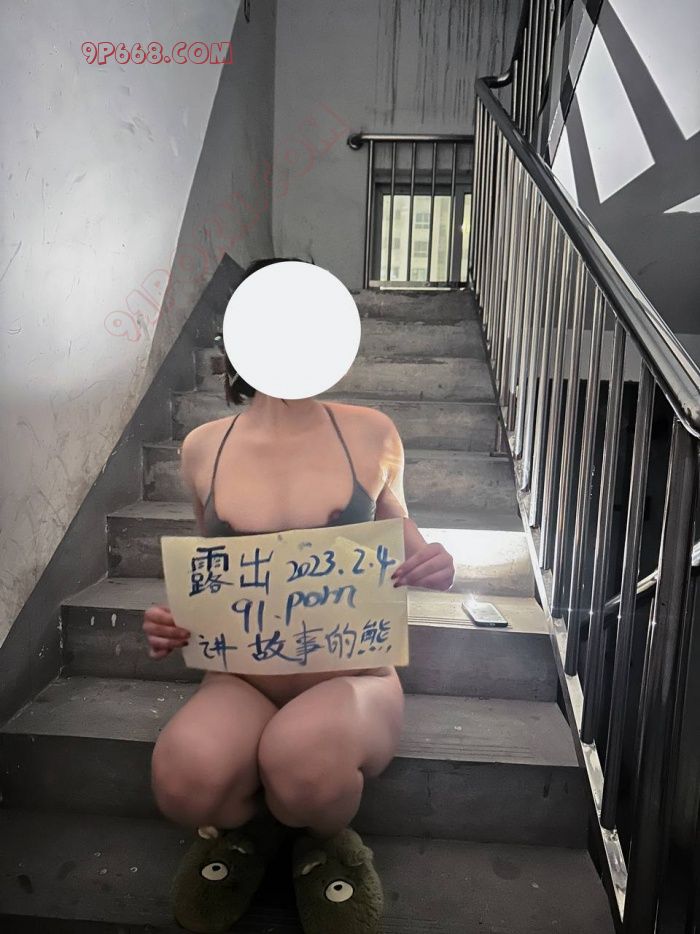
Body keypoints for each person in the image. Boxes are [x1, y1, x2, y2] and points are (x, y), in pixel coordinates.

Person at [143, 258, 456, 934]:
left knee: (303, 756)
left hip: (354, 675)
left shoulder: (371, 432)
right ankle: (251, 831)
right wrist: (176, 622)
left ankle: (325, 839)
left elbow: (401, 530)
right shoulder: (202, 448)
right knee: (181, 777)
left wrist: (433, 559)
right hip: (242, 679)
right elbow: (214, 569)